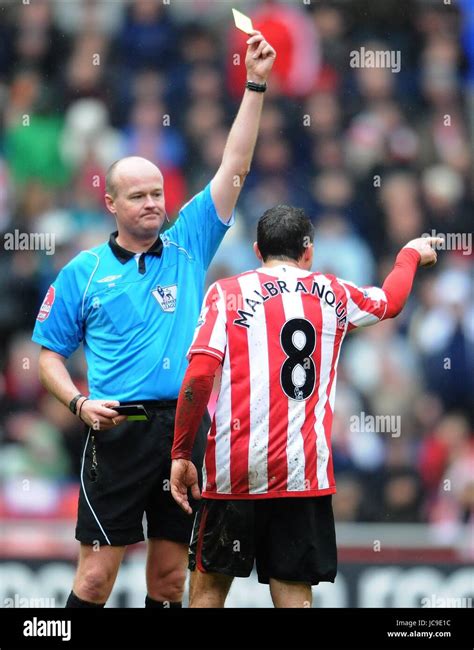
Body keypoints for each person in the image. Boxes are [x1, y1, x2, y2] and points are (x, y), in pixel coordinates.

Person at [32, 31, 276, 609]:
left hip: (183, 433)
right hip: (116, 431)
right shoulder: (83, 273)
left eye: (156, 193)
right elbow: (47, 354)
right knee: (95, 580)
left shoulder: (189, 243)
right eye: (137, 195)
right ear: (110, 204)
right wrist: (77, 403)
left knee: (169, 580)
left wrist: (256, 83)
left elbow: (234, 165)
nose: (151, 203)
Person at [170, 205, 442, 608]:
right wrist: (410, 253)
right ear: (308, 251)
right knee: (294, 595)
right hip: (302, 469)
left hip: (234, 468)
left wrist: (180, 451)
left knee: (209, 592)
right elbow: (392, 300)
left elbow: (198, 374)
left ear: (257, 250)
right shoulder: (334, 292)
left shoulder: (226, 293)